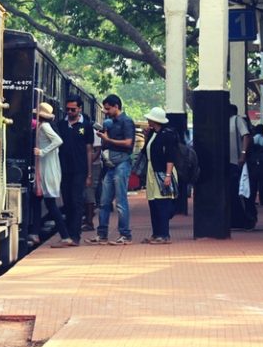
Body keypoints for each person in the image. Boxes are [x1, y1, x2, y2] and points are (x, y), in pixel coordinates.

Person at [87, 94, 136, 245]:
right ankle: (102, 234)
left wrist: (108, 140)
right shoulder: (110, 122)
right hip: (110, 165)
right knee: (104, 201)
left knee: (121, 201)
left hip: (121, 164)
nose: (106, 112)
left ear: (116, 106)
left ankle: (125, 235)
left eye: (108, 108)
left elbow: (128, 143)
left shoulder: (126, 122)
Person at [55, 95, 94, 247]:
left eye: (73, 109)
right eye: (68, 109)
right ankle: (68, 235)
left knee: (77, 201)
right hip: (64, 169)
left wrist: (89, 174)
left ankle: (75, 236)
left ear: (80, 109)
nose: (70, 112)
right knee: (67, 202)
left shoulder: (87, 126)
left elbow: (89, 150)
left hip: (80, 169)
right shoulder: (61, 125)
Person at [32, 102, 72, 247]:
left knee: (50, 204)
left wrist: (42, 151)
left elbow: (58, 141)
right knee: (37, 201)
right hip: (44, 168)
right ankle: (35, 233)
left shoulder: (44, 127)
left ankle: (65, 236)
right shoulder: (43, 126)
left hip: (46, 169)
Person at [140, 107, 178, 244]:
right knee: (153, 202)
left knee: (162, 203)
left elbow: (170, 156)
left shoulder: (167, 135)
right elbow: (146, 151)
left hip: (162, 171)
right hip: (152, 170)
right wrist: (146, 137)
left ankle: (164, 235)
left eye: (150, 118)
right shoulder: (153, 134)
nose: (148, 120)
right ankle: (156, 233)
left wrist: (168, 175)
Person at [226, 105, 250, 229]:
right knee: (230, 192)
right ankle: (233, 220)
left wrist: (243, 154)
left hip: (236, 161)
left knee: (237, 191)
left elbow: (246, 136)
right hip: (226, 162)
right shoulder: (223, 121)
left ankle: (243, 220)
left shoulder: (237, 120)